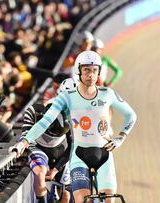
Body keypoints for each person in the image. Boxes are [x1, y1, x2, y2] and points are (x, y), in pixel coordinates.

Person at [12, 50, 137, 203]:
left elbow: (131, 115)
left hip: (104, 154)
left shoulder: (107, 94)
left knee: (109, 200)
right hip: (79, 155)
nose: (91, 75)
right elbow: (45, 121)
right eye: (87, 70)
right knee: (81, 199)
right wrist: (24, 141)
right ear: (78, 71)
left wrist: (120, 138)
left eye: (95, 70)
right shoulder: (67, 96)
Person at [21, 103, 71, 203]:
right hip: (38, 147)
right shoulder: (33, 111)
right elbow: (25, 137)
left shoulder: (70, 118)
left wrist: (56, 169)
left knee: (65, 195)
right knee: (40, 173)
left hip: (60, 151)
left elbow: (71, 149)